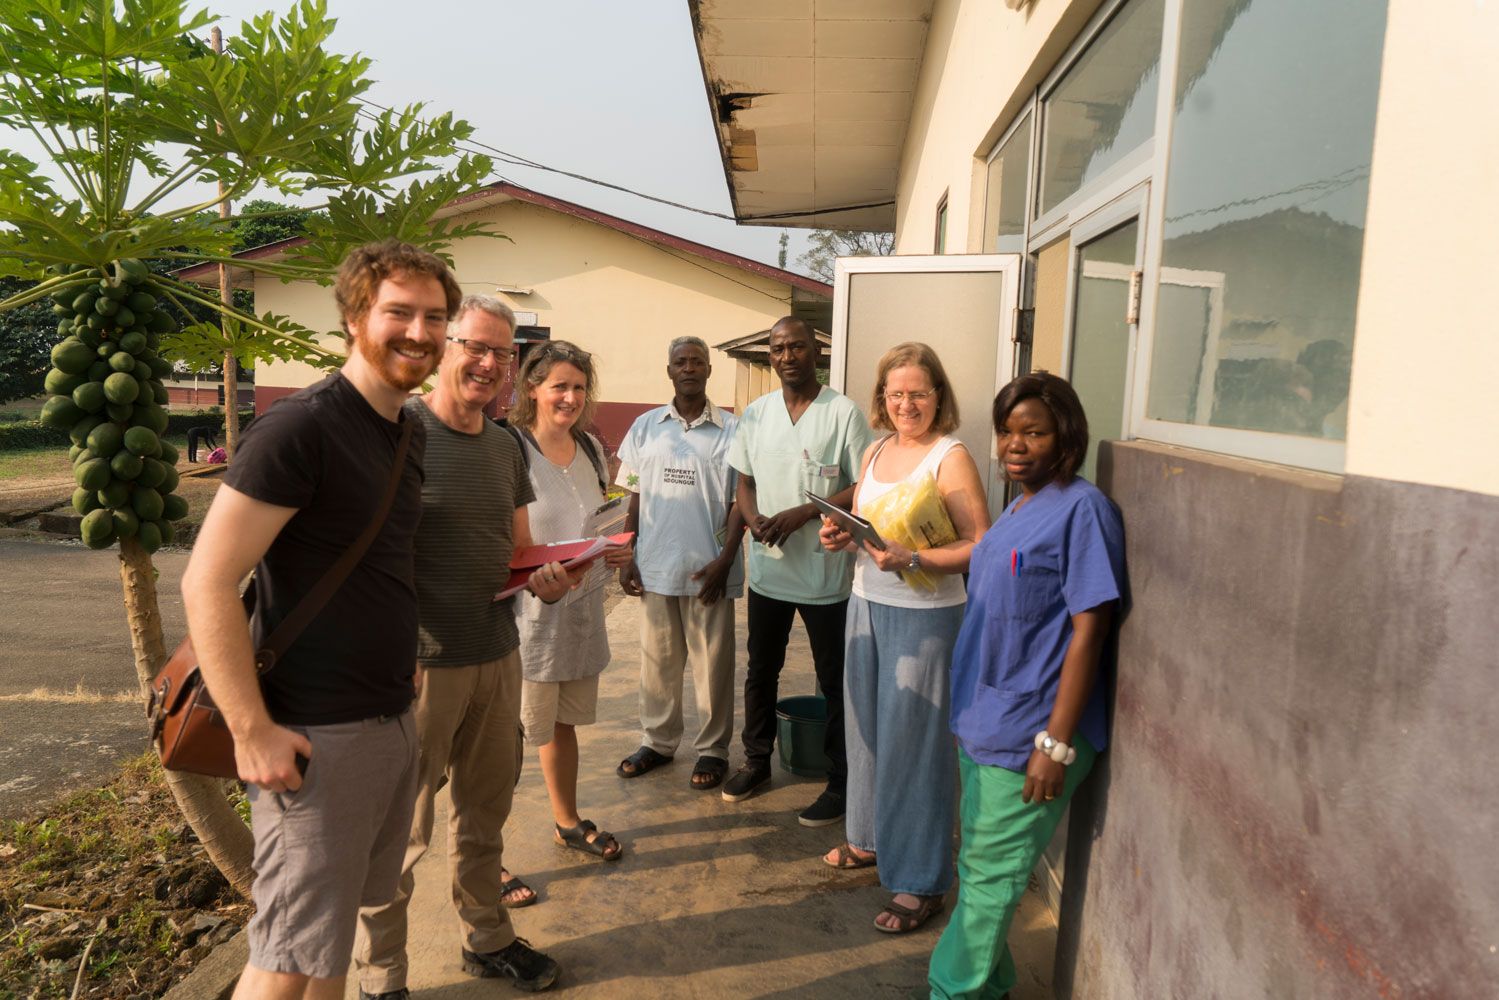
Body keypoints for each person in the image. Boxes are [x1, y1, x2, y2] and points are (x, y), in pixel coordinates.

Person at [180, 240, 458, 1000]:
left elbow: (381, 562)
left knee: (322, 954)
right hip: (311, 733)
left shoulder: (406, 429)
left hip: (382, 719)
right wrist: (251, 731)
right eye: (398, 311)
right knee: (283, 960)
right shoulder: (299, 429)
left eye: (434, 317)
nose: (418, 331)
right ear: (353, 317)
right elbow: (206, 580)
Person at [352, 296, 578, 998]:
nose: (487, 363)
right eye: (475, 346)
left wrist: (546, 578)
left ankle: (487, 939)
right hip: (416, 667)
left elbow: (514, 551)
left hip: (496, 655)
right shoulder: (400, 432)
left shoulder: (508, 445)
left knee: (484, 814)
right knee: (399, 832)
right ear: (443, 348)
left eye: (502, 353)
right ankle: (381, 976)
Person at [927, 372, 1126, 1000]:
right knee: (981, 870)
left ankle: (949, 992)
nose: (1015, 445)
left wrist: (1055, 743)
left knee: (990, 883)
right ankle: (990, 989)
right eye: (1008, 431)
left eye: (1033, 432)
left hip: (1033, 734)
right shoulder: (1019, 505)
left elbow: (1089, 629)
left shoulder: (1083, 510)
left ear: (1065, 435)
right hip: (986, 721)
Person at [817, 343, 989, 933]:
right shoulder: (876, 449)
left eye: (918, 393)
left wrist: (916, 556)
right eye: (895, 394)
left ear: (938, 395)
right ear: (881, 399)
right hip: (866, 602)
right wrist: (842, 536)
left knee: (916, 745)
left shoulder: (951, 456)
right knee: (866, 729)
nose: (906, 404)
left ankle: (921, 880)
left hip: (927, 615)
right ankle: (868, 839)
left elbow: (980, 545)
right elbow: (871, 525)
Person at [722, 316, 875, 826]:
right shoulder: (757, 414)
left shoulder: (844, 414)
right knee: (761, 669)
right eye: (779, 348)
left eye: (798, 347)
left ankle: (841, 780)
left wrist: (807, 512)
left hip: (824, 575)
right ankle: (757, 761)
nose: (788, 356)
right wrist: (752, 517)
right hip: (769, 568)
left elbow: (861, 484)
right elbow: (743, 481)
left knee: (835, 679)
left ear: (817, 352)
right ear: (770, 355)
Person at [512, 341, 633, 860]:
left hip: (579, 610)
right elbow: (507, 545)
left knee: (562, 725)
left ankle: (566, 820)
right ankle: (481, 856)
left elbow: (595, 521)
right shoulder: (512, 450)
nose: (570, 397)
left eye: (579, 387)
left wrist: (614, 552)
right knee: (506, 739)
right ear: (532, 389)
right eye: (559, 385)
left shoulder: (586, 448)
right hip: (527, 618)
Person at [614, 336, 745, 790]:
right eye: (679, 362)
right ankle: (658, 741)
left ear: (709, 370)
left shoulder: (732, 430)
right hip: (654, 566)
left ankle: (712, 750)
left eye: (696, 362)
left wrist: (726, 561)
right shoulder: (646, 427)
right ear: (668, 370)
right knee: (657, 662)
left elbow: (738, 502)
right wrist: (628, 551)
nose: (688, 368)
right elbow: (633, 494)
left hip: (707, 569)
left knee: (713, 667)